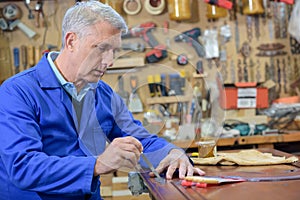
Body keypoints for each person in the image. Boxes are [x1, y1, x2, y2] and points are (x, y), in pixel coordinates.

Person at [0, 1, 204, 199]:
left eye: (114, 50)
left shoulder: (103, 93)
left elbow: (140, 139)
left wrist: (173, 152)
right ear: (71, 41)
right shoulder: (17, 91)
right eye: (101, 48)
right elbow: (23, 167)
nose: (110, 61)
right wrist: (98, 164)